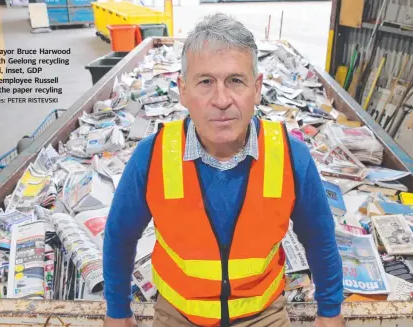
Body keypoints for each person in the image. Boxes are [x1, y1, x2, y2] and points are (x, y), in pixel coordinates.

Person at [103, 13, 344, 327]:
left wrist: (330, 310)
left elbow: (319, 237)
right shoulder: (153, 157)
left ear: (256, 89)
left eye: (235, 81)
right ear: (183, 90)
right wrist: (117, 310)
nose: (221, 100)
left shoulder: (290, 157)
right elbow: (120, 236)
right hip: (178, 315)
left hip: (263, 315)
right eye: (205, 82)